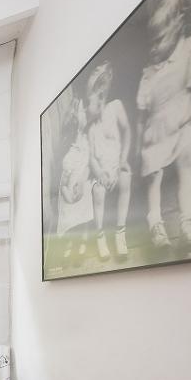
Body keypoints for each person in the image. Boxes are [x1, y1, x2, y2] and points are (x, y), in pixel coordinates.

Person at [136, 0, 191, 253]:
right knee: (153, 175)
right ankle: (155, 223)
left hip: (182, 126)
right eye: (150, 42)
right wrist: (137, 148)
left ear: (178, 27)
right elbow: (141, 117)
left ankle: (188, 221)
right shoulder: (148, 75)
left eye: (159, 40)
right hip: (156, 136)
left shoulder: (189, 50)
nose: (153, 48)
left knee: (187, 162)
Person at [86, 62, 133, 261]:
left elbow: (127, 131)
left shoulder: (115, 107)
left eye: (101, 95)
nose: (98, 102)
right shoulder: (90, 126)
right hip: (100, 171)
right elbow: (91, 156)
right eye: (93, 98)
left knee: (126, 178)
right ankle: (100, 235)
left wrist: (123, 160)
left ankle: (120, 232)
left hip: (116, 165)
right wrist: (100, 173)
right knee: (98, 191)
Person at [56, 96, 94, 264]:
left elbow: (90, 164)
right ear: (74, 116)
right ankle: (70, 241)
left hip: (84, 179)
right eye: (81, 110)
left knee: (85, 195)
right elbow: (63, 170)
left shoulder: (88, 137)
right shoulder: (68, 141)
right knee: (67, 200)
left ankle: (82, 240)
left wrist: (82, 181)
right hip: (68, 181)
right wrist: (66, 188)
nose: (85, 112)